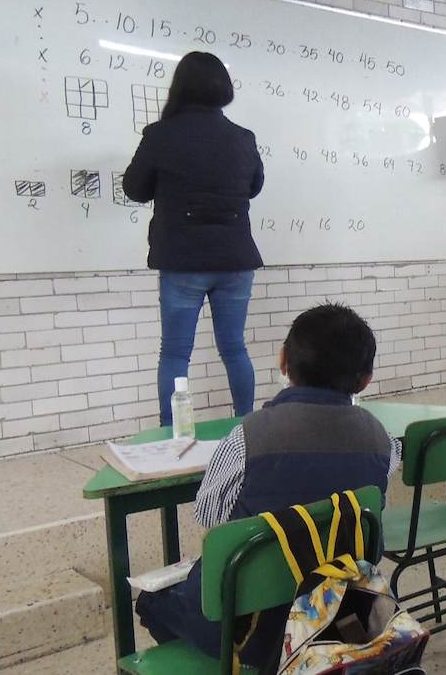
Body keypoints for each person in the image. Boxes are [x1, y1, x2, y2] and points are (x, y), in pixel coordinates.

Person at [136, 303, 400, 669]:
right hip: (342, 617)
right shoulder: (383, 442)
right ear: (364, 379)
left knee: (151, 603)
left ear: (283, 363)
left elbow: (211, 515)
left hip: (250, 629)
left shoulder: (247, 437)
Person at [123, 51, 265, 426]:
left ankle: (172, 433)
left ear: (180, 87)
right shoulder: (242, 137)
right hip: (236, 260)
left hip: (182, 259)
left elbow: (134, 188)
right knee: (234, 349)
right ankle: (245, 426)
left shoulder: (161, 135)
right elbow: (254, 187)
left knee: (174, 354)